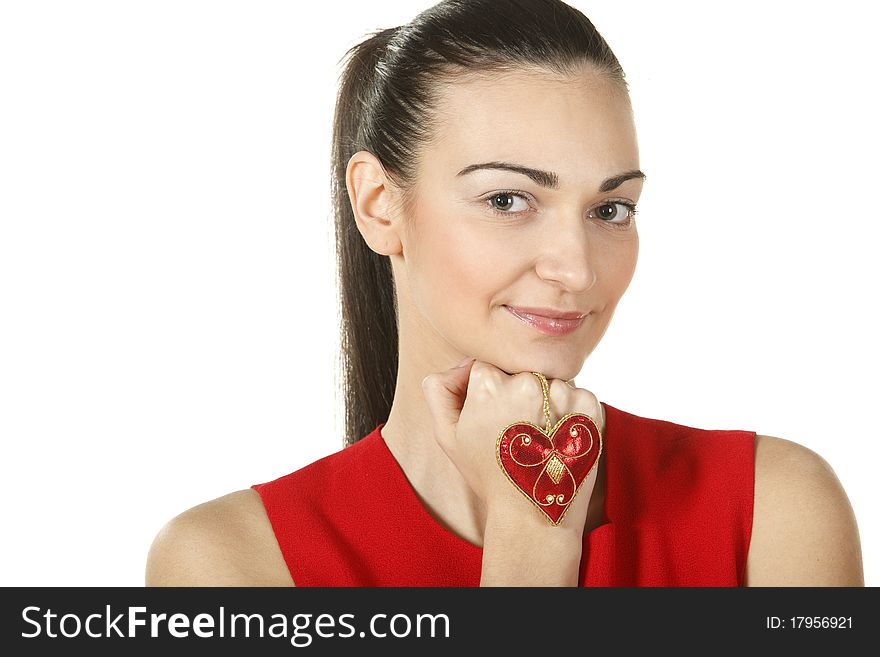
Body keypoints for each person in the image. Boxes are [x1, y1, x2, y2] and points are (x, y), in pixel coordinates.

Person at [145, 0, 864, 587]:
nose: (576, 270)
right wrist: (531, 545)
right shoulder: (230, 564)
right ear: (378, 204)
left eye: (610, 209)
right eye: (507, 200)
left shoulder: (773, 508)